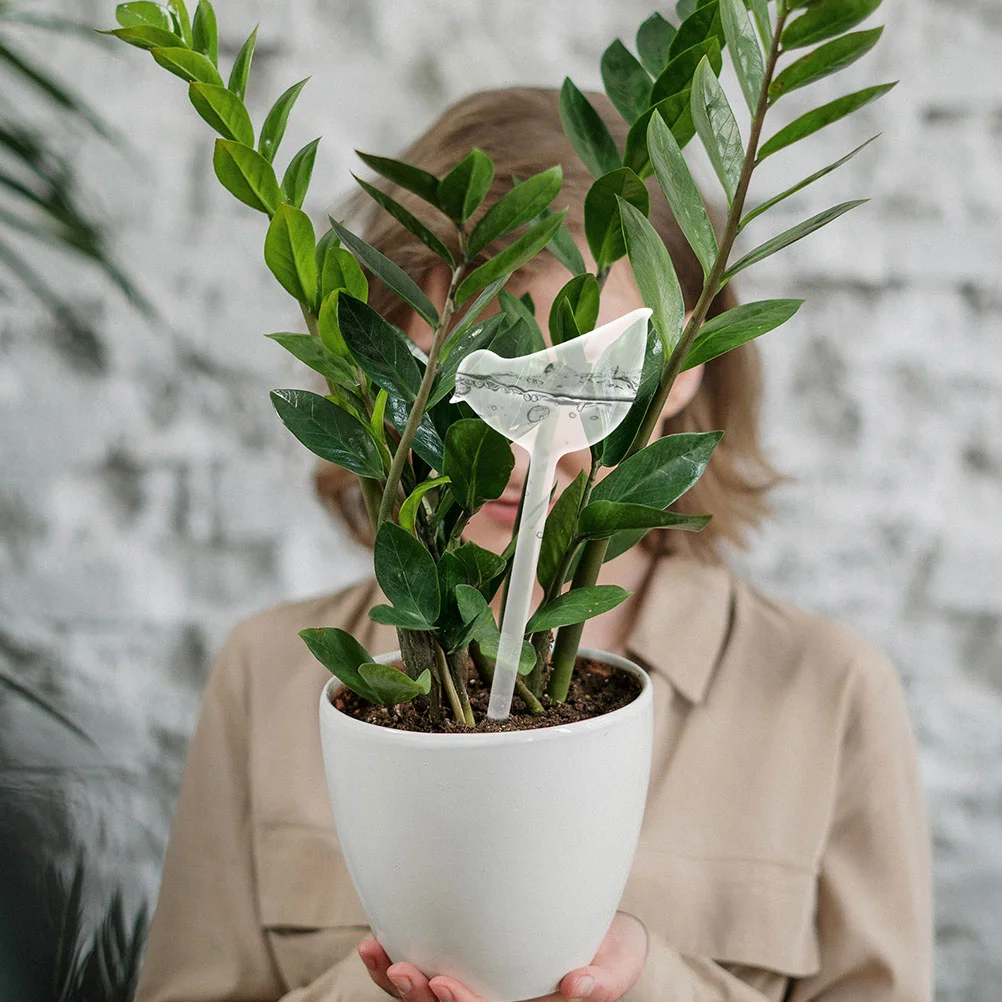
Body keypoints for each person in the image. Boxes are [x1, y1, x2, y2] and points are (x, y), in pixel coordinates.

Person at [134, 89, 933, 1002]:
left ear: (682, 368)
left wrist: (645, 985)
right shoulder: (269, 677)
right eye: (471, 375)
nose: (520, 452)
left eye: (587, 374)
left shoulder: (828, 695)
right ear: (378, 365)